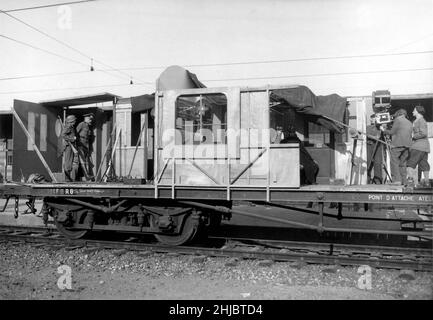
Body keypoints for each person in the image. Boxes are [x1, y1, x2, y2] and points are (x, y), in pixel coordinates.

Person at [380, 109, 412, 185]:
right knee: (403, 163)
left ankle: (397, 180)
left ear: (398, 114)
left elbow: (392, 132)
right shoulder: (409, 122)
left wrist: (384, 130)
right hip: (407, 145)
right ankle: (404, 181)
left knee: (394, 162)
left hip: (398, 144)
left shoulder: (398, 120)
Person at [407, 105, 430, 187]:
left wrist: (413, 136)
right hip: (424, 147)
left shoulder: (420, 121)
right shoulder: (417, 120)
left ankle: (410, 182)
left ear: (418, 111)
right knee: (424, 164)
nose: (413, 112)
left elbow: (423, 133)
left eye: (414, 110)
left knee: (410, 164)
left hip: (418, 146)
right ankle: (427, 183)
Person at [76, 113, 95, 181]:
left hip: (86, 145)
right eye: (89, 119)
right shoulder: (81, 124)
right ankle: (86, 176)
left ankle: (85, 176)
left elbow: (89, 137)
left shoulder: (88, 126)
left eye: (91, 119)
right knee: (82, 161)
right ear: (86, 119)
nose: (90, 120)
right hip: (81, 144)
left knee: (85, 161)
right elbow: (76, 133)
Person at [366, 114, 383, 184]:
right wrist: (374, 137)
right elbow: (366, 134)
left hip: (378, 146)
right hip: (369, 145)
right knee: (368, 162)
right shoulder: (367, 127)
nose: (371, 120)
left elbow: (385, 134)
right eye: (371, 119)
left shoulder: (380, 127)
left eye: (373, 119)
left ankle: (377, 179)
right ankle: (368, 178)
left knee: (378, 162)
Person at [62, 115, 79, 182]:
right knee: (68, 162)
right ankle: (67, 178)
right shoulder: (68, 126)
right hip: (69, 146)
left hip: (71, 145)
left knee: (70, 161)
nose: (75, 122)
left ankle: (68, 177)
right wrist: (72, 139)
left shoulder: (71, 127)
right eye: (74, 120)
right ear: (71, 121)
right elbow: (63, 135)